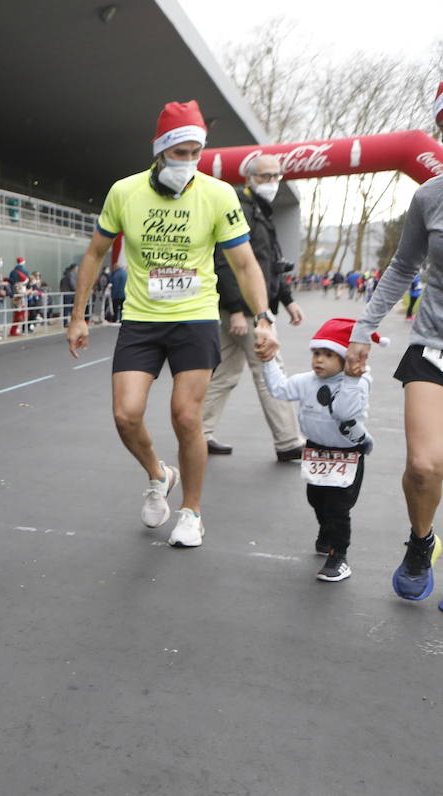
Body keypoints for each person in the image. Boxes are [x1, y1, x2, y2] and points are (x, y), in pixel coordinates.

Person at [66, 100, 274, 548]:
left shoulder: (219, 195)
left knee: (185, 416)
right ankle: (159, 474)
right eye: (179, 152)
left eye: (195, 152)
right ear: (160, 150)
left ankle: (191, 512)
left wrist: (264, 318)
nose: (187, 161)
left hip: (196, 317)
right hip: (141, 318)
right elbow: (94, 253)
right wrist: (79, 316)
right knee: (126, 414)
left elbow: (244, 261)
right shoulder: (124, 192)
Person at [346, 122, 443, 602]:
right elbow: (404, 266)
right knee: (424, 467)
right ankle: (422, 540)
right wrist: (364, 328)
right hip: (433, 345)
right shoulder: (430, 196)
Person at [202, 153, 307, 461]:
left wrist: (287, 299)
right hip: (244, 310)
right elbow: (225, 260)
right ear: (249, 178)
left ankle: (199, 432)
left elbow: (270, 262)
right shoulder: (239, 210)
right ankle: (288, 441)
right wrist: (236, 308)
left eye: (276, 176)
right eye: (265, 176)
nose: (272, 182)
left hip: (248, 307)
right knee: (270, 369)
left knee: (223, 374)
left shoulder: (260, 211)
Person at [262, 318, 381, 582]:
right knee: (316, 499)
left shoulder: (358, 382)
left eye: (329, 355)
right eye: (317, 353)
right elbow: (279, 389)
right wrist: (269, 360)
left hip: (347, 452)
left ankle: (339, 556)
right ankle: (326, 532)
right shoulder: (307, 381)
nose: (319, 360)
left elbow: (343, 412)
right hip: (316, 450)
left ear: (345, 359)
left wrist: (350, 379)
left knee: (339, 507)